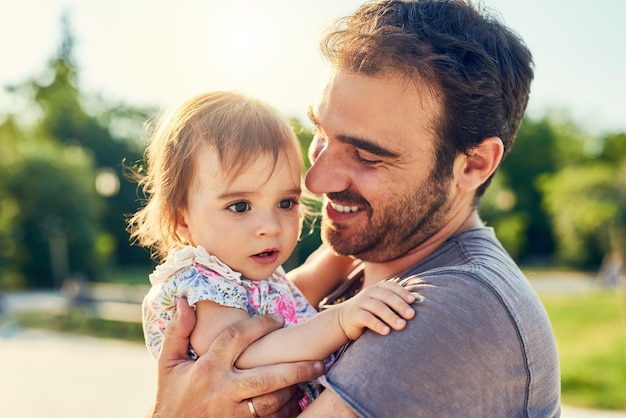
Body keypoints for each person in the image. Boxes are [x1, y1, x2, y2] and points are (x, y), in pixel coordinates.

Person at [149, 0, 562, 416]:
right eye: (321, 133)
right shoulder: (369, 259)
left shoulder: (450, 307)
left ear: (473, 164)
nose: (314, 181)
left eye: (366, 155)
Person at [127, 91, 417, 410]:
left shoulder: (244, 270)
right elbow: (244, 354)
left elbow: (300, 288)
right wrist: (340, 320)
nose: (272, 225)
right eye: (240, 206)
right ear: (182, 219)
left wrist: (356, 239)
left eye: (286, 203)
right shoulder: (201, 287)